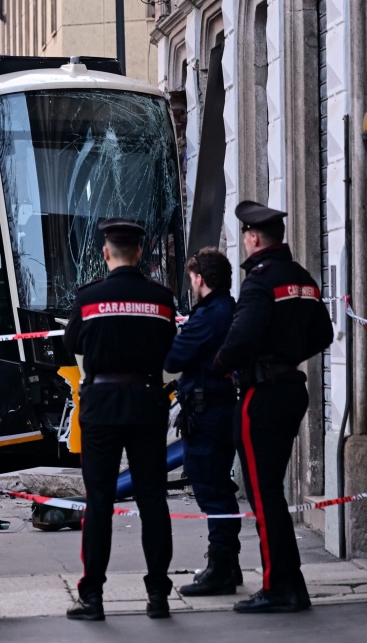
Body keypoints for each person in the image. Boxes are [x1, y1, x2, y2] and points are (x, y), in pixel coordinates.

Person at [215, 201, 333, 614]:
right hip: (291, 389)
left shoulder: (260, 282)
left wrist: (222, 364)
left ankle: (279, 585)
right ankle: (290, 582)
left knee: (264, 496)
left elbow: (241, 336)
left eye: (245, 236)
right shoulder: (302, 278)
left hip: (260, 395)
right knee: (272, 493)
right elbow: (325, 333)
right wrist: (288, 354)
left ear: (252, 238)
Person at [62, 218, 178, 621]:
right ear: (141, 253)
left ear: (106, 252)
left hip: (101, 407)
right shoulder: (162, 300)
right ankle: (159, 596)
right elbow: (170, 349)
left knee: (99, 503)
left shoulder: (90, 297)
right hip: (147, 403)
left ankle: (92, 596)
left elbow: (70, 343)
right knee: (152, 501)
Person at [164, 247, 242, 596]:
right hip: (218, 408)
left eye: (193, 278)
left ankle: (222, 568)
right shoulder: (228, 308)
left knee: (211, 488)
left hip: (208, 411)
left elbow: (175, 356)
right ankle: (226, 563)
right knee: (217, 487)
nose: (191, 283)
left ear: (202, 280)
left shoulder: (210, 315)